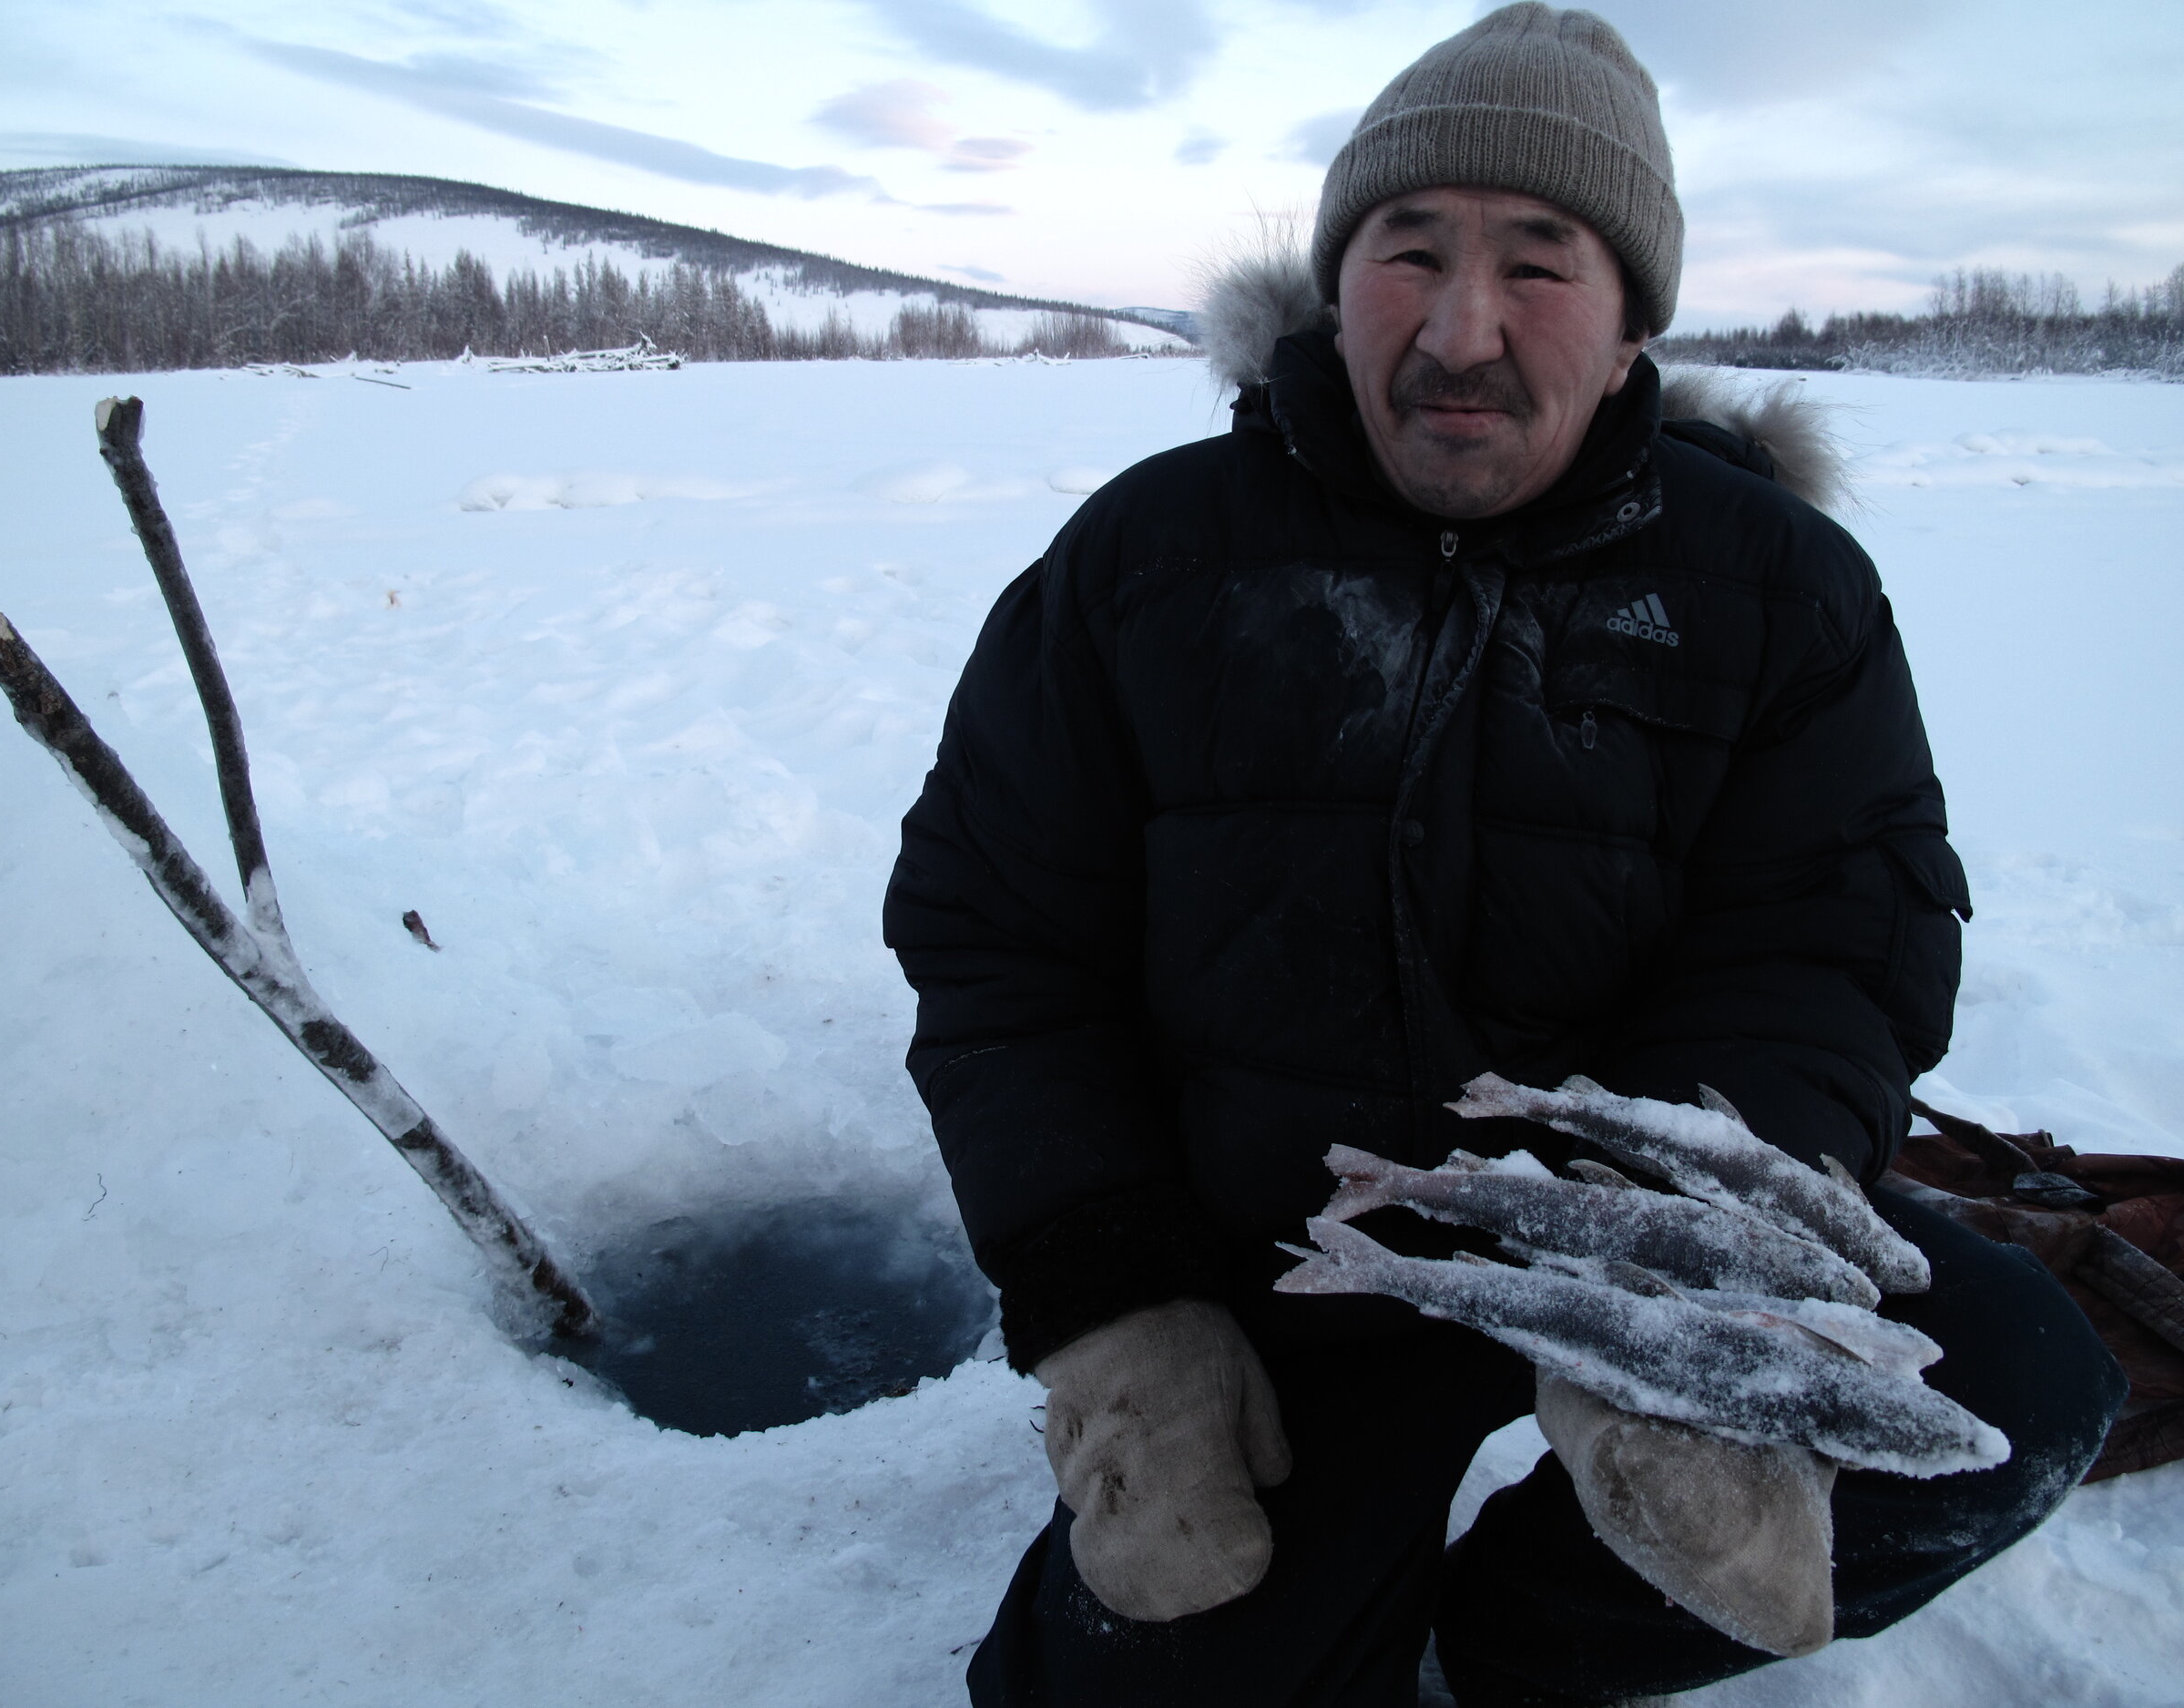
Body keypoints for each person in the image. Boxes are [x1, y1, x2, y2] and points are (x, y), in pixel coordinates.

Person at [883, 6, 2124, 1704]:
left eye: (1540, 263)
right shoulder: (1151, 561)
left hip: (1624, 1239)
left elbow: (1823, 953)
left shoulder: (1780, 592)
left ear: (1628, 330)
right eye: (1413, 251)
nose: (1462, 327)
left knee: (2007, 1406)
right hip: (1280, 1260)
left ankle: (1513, 1647)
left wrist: (1665, 1272)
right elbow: (1001, 938)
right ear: (1341, 287)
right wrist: (1117, 1295)